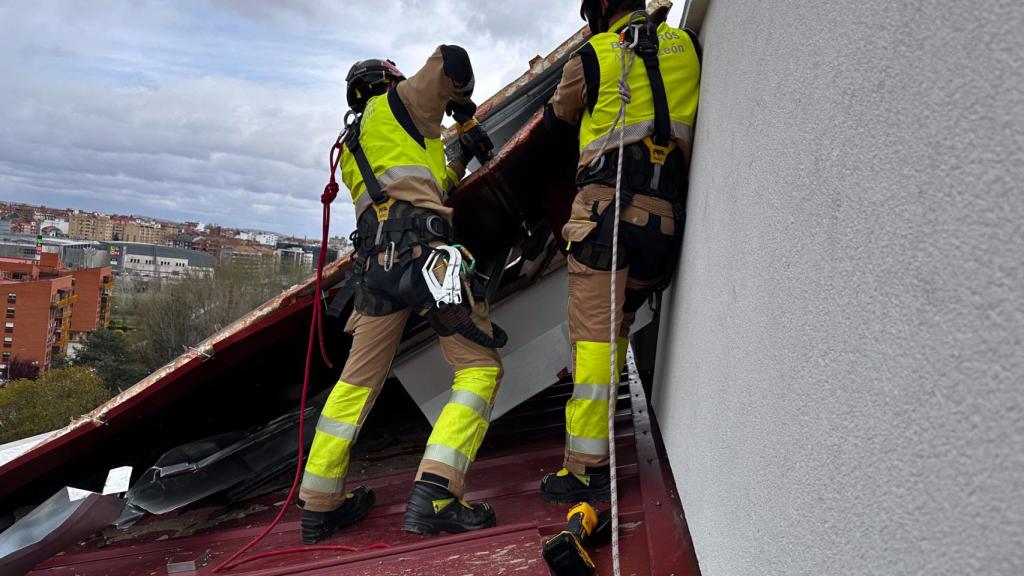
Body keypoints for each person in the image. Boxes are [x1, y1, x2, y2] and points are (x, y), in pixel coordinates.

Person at [298, 47, 506, 544]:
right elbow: (451, 59)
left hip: (375, 270)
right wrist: (463, 104)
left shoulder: (355, 146)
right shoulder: (396, 103)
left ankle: (319, 505)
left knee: (354, 386)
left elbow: (427, 183)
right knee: (479, 369)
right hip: (426, 258)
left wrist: (461, 149)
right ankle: (436, 493)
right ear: (389, 82)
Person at [539, 0, 702, 502]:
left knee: (593, 343)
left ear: (600, 8)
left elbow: (554, 126)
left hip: (605, 221)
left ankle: (586, 468)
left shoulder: (591, 56)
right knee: (617, 332)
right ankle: (604, 439)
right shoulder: (687, 48)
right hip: (664, 227)